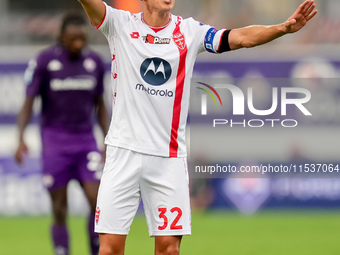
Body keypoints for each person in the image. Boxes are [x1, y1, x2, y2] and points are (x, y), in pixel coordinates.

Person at [76, 0, 317, 254]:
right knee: (110, 249)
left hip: (168, 159)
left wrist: (282, 29)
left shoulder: (190, 32)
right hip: (123, 153)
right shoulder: (119, 24)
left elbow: (240, 37)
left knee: (169, 249)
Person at [15, 11, 108, 255]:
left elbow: (101, 106)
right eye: (73, 38)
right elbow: (28, 102)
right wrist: (21, 138)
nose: (79, 42)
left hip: (85, 141)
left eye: (82, 38)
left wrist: (107, 140)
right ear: (61, 38)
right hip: (55, 143)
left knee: (96, 201)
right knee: (59, 207)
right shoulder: (45, 61)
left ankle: (95, 249)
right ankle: (62, 251)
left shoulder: (95, 63)